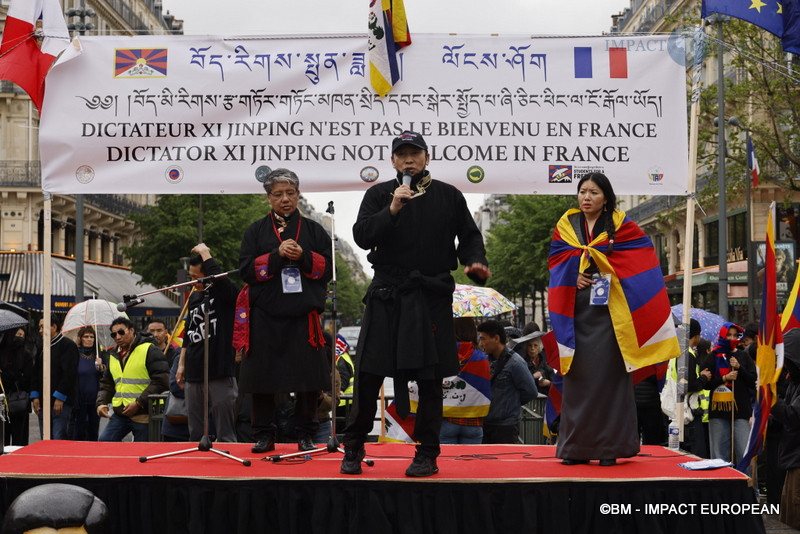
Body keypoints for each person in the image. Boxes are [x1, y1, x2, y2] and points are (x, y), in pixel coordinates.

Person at [340, 131, 490, 477]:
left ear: (426, 157)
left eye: (415, 153)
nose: (409, 159)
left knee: (430, 378)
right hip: (387, 294)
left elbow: (469, 237)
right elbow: (362, 236)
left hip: (428, 295)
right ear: (393, 160)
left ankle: (427, 453)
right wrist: (392, 208)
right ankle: (354, 446)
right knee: (367, 374)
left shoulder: (449, 196)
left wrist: (474, 261)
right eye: (402, 154)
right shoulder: (378, 194)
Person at [548, 172, 678, 466]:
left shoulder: (623, 226)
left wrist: (609, 273)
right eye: (582, 191)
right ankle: (574, 448)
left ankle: (609, 449)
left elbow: (641, 258)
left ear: (605, 196)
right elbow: (555, 260)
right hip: (576, 311)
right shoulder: (565, 225)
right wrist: (573, 275)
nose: (586, 197)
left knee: (610, 382)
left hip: (611, 314)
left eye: (593, 192)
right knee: (577, 381)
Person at [236, 168, 333, 453]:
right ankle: (264, 433)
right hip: (265, 316)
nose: (285, 199)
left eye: (290, 193)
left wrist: (304, 256)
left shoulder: (315, 231)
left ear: (298, 194)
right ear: (268, 198)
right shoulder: (255, 231)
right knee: (263, 380)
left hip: (304, 317)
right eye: (278, 194)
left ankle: (306, 433)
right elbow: (246, 271)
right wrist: (275, 256)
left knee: (307, 381)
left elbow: (326, 270)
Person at [176, 243, 239, 443]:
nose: (194, 282)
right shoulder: (194, 298)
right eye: (191, 278)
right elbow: (188, 333)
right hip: (194, 369)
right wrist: (181, 364)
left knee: (225, 430)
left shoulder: (225, 293)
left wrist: (205, 252)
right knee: (195, 430)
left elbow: (220, 279)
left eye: (197, 278)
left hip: (219, 368)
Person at [96, 317, 169, 441]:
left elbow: (162, 381)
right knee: (104, 442)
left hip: (144, 414)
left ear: (131, 330)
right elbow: (107, 383)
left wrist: (139, 402)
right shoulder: (113, 354)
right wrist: (101, 403)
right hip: (120, 413)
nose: (117, 337)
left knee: (141, 453)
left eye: (121, 332)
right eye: (114, 334)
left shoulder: (149, 349)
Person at [703, 322, 756, 472]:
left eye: (735, 335)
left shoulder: (742, 355)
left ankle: (750, 491)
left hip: (741, 411)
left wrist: (740, 368)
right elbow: (705, 383)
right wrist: (724, 378)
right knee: (719, 456)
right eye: (729, 335)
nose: (732, 338)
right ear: (722, 336)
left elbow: (753, 381)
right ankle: (721, 491)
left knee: (746, 454)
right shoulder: (712, 356)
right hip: (718, 411)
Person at [476, 320, 537, 444]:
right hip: (485, 424)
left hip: (506, 427)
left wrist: (510, 403)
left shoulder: (516, 363)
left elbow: (531, 391)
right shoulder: (484, 361)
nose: (481, 344)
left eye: (483, 339)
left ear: (496, 338)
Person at [439, 317, 491, 444]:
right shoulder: (481, 358)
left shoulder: (443, 355)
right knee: (471, 463)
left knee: (447, 461)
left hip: (446, 421)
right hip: (473, 422)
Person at [32, 315, 79, 440]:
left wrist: (60, 397)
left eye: (43, 326)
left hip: (60, 403)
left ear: (54, 327)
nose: (40, 330)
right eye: (39, 327)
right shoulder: (42, 347)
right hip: (43, 401)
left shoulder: (68, 346)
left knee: (59, 437)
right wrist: (35, 395)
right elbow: (36, 372)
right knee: (45, 438)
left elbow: (69, 374)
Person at [771, 328, 800, 529]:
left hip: (798, 461)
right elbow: (786, 416)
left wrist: (771, 401)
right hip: (792, 458)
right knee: (788, 518)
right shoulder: (794, 382)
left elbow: (794, 416)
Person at [0, 327, 34, 446]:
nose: (20, 337)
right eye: (17, 334)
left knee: (19, 439)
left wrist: (7, 374)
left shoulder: (26, 355)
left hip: (19, 402)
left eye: (22, 335)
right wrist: (17, 374)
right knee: (3, 437)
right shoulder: (2, 353)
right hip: (2, 402)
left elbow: (28, 378)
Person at [72, 326, 106, 441]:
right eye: (86, 336)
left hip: (95, 401)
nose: (89, 339)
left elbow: (106, 378)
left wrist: (101, 367)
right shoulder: (75, 355)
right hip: (79, 401)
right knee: (79, 432)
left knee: (93, 431)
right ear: (80, 339)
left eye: (92, 337)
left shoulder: (99, 355)